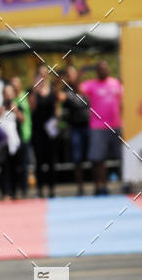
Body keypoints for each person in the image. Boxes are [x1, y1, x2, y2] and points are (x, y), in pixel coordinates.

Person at [80, 60, 123, 196]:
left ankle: (127, 183)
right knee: (98, 158)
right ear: (97, 71)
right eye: (100, 69)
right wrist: (80, 73)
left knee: (123, 156)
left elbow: (124, 101)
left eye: (105, 68)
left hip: (116, 125)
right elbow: (76, 89)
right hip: (98, 127)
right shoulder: (91, 84)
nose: (103, 71)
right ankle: (100, 186)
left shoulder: (116, 83)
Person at [58, 64, 90, 195]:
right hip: (75, 128)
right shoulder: (65, 91)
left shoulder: (86, 87)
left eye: (72, 73)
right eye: (68, 74)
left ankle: (99, 186)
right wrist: (57, 83)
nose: (70, 76)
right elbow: (59, 97)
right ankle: (80, 187)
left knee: (93, 156)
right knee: (77, 159)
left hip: (89, 126)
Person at [29, 64, 58, 198]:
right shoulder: (33, 91)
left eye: (44, 73)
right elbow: (32, 108)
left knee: (51, 160)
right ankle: (40, 189)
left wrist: (57, 119)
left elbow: (56, 108)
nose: (42, 76)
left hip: (50, 130)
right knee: (39, 161)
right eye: (40, 73)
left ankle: (52, 188)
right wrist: (35, 90)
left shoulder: (52, 89)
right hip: (38, 130)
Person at [0, 84, 23, 200]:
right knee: (4, 167)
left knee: (15, 167)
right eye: (5, 93)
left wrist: (16, 111)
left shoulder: (17, 106)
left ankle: (15, 191)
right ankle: (5, 192)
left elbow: (23, 120)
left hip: (15, 142)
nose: (8, 95)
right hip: (3, 143)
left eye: (10, 93)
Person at [10, 75, 31, 197]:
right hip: (12, 136)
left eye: (16, 83)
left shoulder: (25, 96)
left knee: (24, 164)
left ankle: (24, 190)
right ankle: (13, 191)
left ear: (20, 85)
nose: (14, 85)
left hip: (24, 134)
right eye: (12, 83)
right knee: (13, 165)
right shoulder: (8, 99)